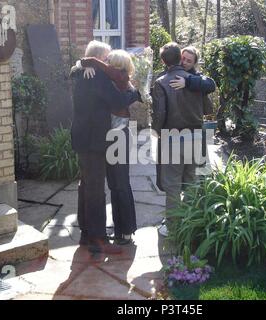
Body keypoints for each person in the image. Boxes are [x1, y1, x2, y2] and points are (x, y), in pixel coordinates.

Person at [70, 41, 140, 253]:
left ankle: (86, 232)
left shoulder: (80, 74)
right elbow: (117, 100)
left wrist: (81, 65)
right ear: (99, 58)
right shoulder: (97, 76)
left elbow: (76, 68)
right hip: (95, 139)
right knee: (95, 189)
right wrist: (136, 93)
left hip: (84, 137)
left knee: (87, 186)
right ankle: (96, 236)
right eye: (106, 58)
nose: (108, 63)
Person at [152, 42, 209, 237]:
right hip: (195, 136)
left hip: (172, 137)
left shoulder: (161, 82)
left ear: (163, 60)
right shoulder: (195, 80)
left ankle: (174, 226)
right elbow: (208, 109)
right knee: (192, 180)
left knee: (172, 183)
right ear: (180, 58)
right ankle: (191, 222)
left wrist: (156, 131)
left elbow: (160, 114)